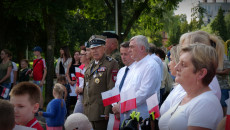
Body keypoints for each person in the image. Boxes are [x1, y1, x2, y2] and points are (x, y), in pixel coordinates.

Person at [159, 43, 223, 130]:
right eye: (178, 62)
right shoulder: (187, 95)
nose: (177, 67)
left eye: (183, 64)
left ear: (201, 73)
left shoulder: (205, 103)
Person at [83, 35, 119, 130]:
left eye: (97, 48)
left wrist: (107, 111)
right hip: (89, 110)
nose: (94, 51)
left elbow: (111, 88)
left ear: (104, 48)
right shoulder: (91, 64)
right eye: (92, 49)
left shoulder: (111, 64)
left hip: (101, 112)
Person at [122, 35, 161, 120]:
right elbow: (127, 88)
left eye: (132, 47)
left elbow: (145, 93)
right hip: (130, 115)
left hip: (143, 117)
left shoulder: (150, 66)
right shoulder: (135, 64)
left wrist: (125, 105)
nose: (129, 50)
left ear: (142, 48)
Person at [111, 41, 135, 123]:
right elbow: (116, 89)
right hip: (119, 112)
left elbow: (134, 91)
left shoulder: (137, 70)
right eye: (121, 54)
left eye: (126, 54)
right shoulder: (121, 71)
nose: (123, 57)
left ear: (132, 53)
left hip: (131, 112)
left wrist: (122, 107)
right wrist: (115, 106)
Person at [73, 45, 91, 113]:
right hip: (80, 97)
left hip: (88, 97)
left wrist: (82, 89)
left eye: (81, 54)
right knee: (75, 116)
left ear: (87, 56)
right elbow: (78, 81)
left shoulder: (92, 68)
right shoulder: (80, 67)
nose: (79, 56)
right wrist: (77, 87)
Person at [30, 46, 47, 111]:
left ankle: (41, 108)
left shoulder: (42, 60)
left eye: (35, 51)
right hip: (34, 79)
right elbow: (34, 69)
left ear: (38, 52)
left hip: (40, 80)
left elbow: (45, 71)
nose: (34, 52)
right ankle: (36, 108)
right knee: (35, 94)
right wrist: (31, 73)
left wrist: (42, 80)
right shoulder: (34, 60)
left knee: (40, 94)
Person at [66, 50, 81, 115]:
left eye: (77, 54)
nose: (76, 56)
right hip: (70, 83)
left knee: (76, 99)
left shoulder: (81, 64)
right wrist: (69, 81)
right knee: (69, 99)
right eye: (75, 54)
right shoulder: (71, 63)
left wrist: (75, 81)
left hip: (77, 83)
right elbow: (67, 73)